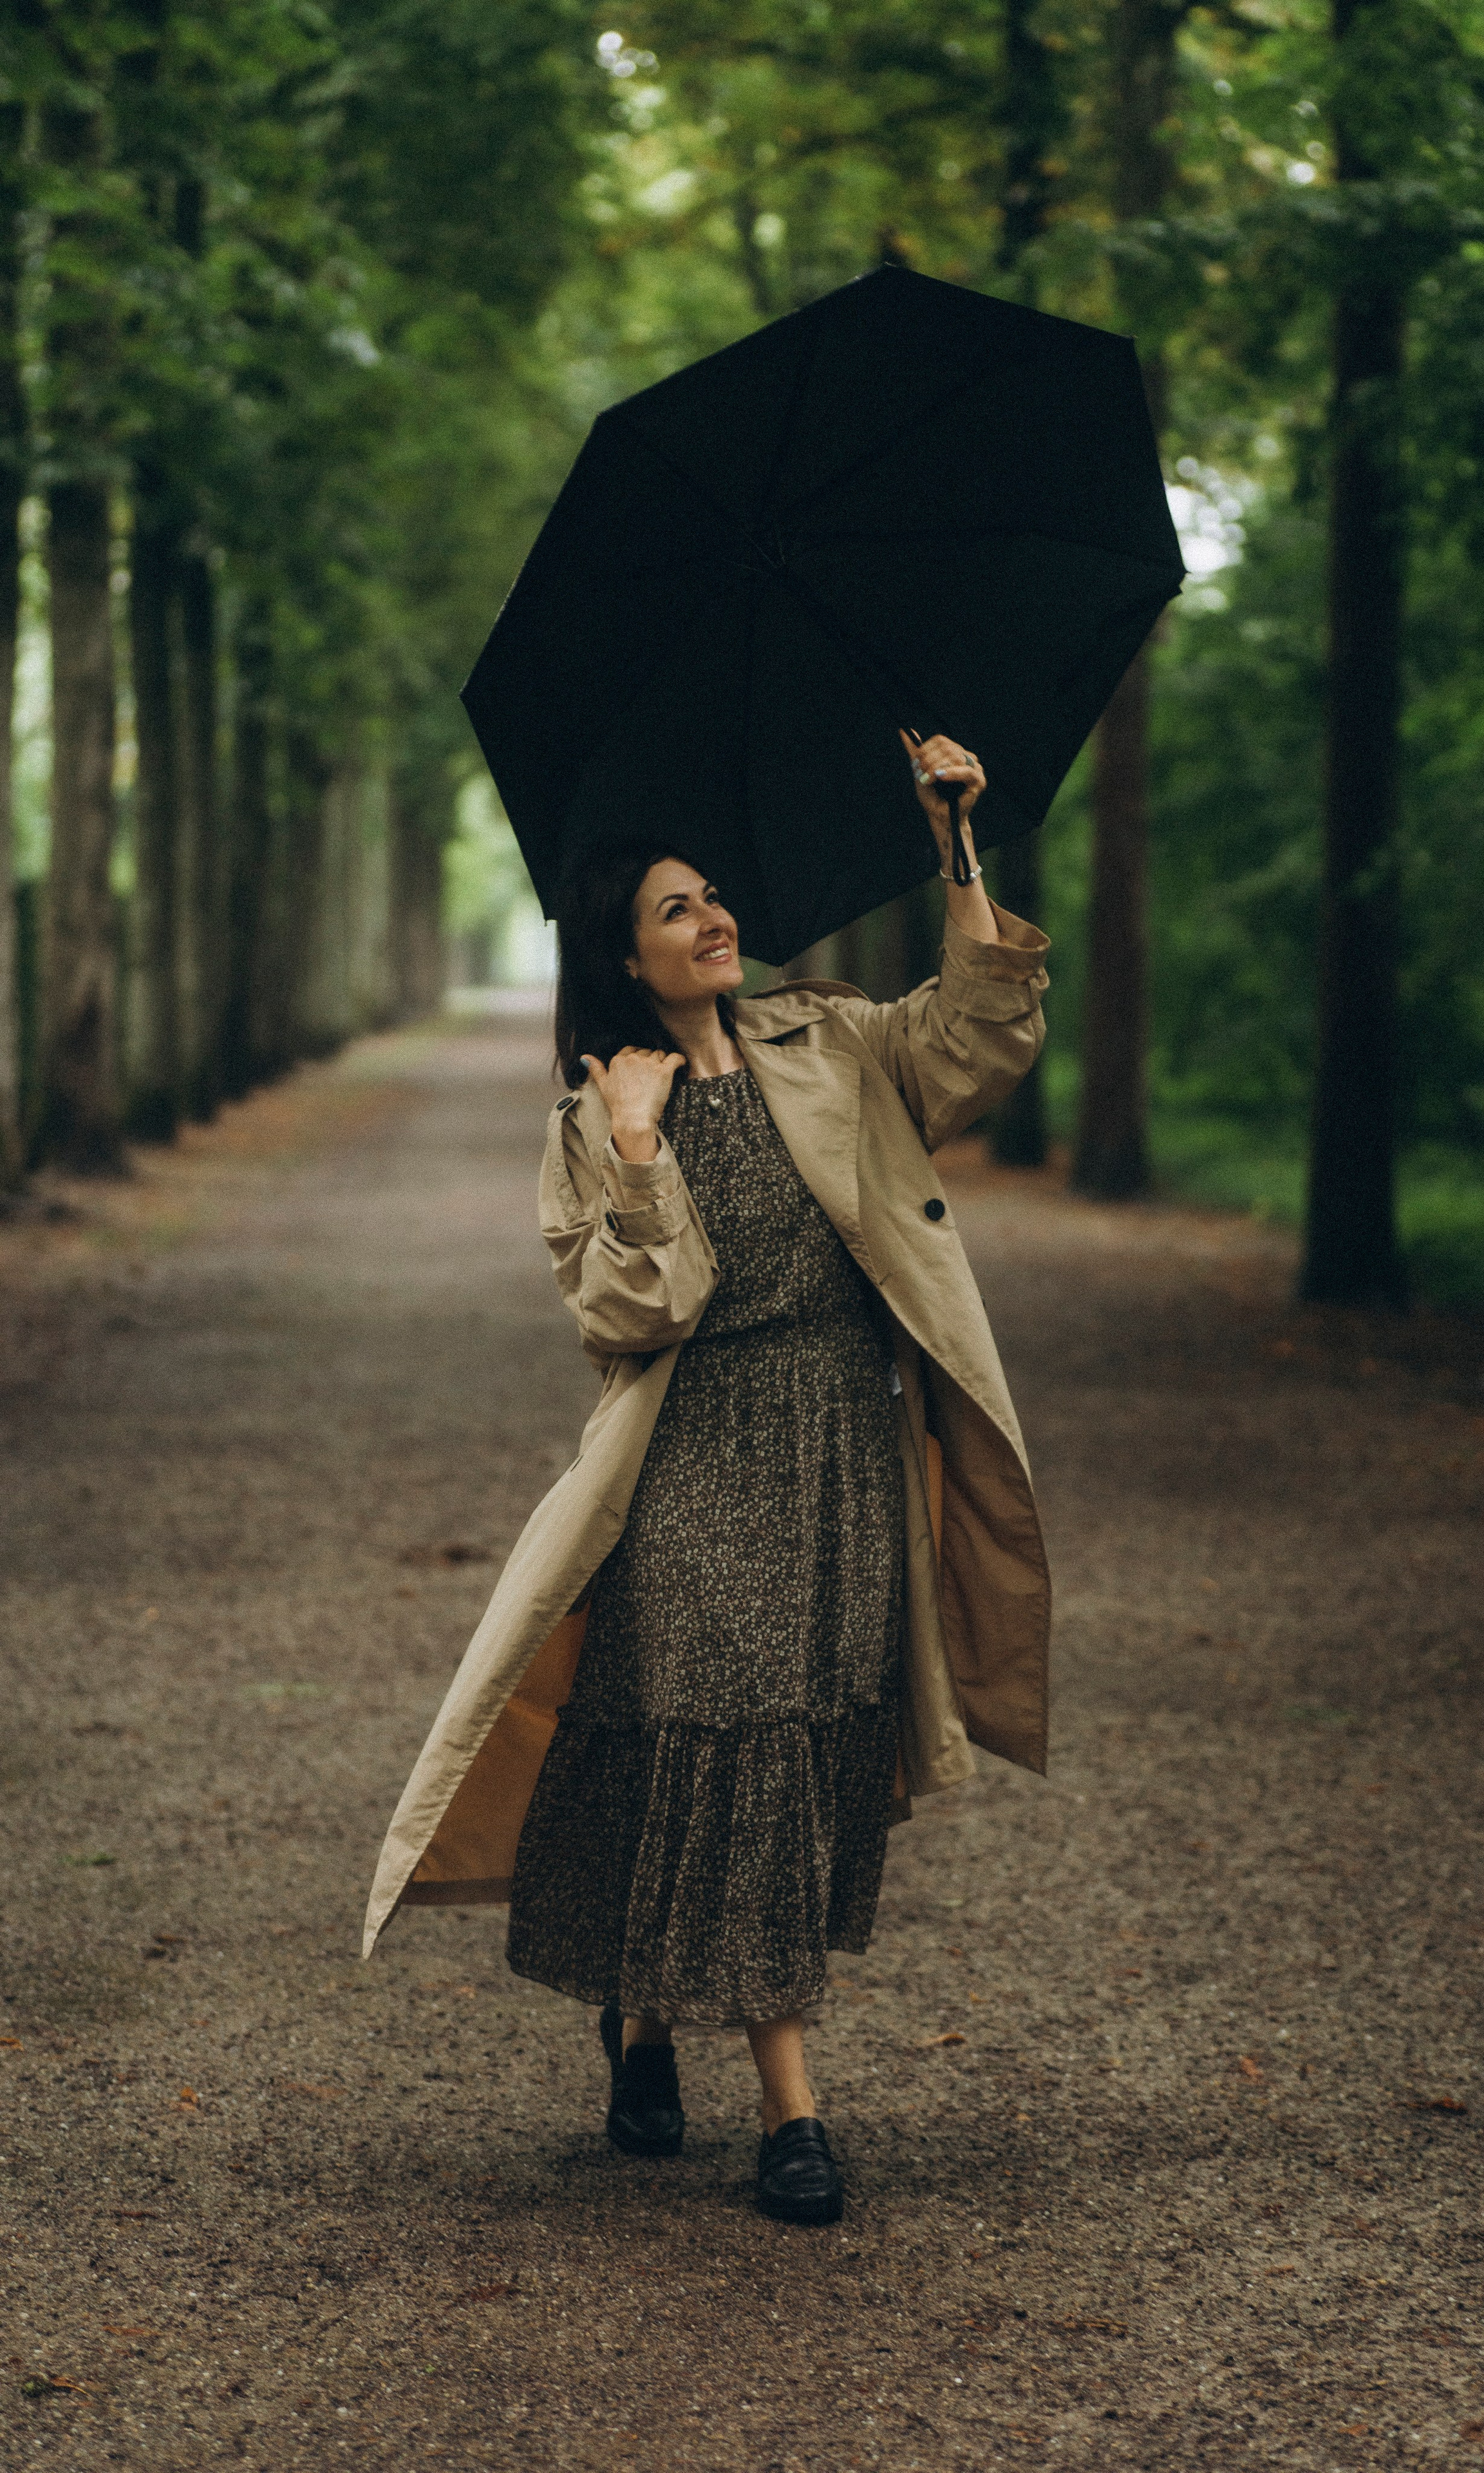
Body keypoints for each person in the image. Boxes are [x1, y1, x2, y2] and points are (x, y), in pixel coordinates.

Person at [362, 731, 1051, 2226]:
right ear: (628, 957)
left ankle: (641, 2024)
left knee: (779, 1756)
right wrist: (632, 1148)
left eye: (714, 896)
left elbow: (980, 1039)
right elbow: (636, 1310)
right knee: (726, 1753)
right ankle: (794, 2118)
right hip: (691, 1467)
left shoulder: (835, 1040)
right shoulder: (593, 1119)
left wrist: (952, 844)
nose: (713, 918)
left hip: (841, 1459)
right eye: (676, 910)